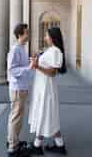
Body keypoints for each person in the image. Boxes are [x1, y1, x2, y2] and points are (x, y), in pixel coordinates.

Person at [28, 27, 67, 155]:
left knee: (44, 115)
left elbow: (52, 72)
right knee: (49, 116)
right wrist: (37, 58)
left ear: (52, 37)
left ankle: (37, 146)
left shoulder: (55, 51)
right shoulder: (51, 50)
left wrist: (36, 65)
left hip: (46, 89)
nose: (45, 38)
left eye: (46, 36)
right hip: (43, 87)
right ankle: (60, 145)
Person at [7, 23, 34, 157]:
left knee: (17, 117)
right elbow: (12, 69)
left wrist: (31, 62)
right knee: (16, 117)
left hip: (22, 87)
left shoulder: (22, 48)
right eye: (26, 32)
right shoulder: (15, 49)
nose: (28, 35)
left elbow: (22, 66)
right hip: (17, 88)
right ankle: (13, 148)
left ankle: (13, 141)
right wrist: (29, 67)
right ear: (20, 35)